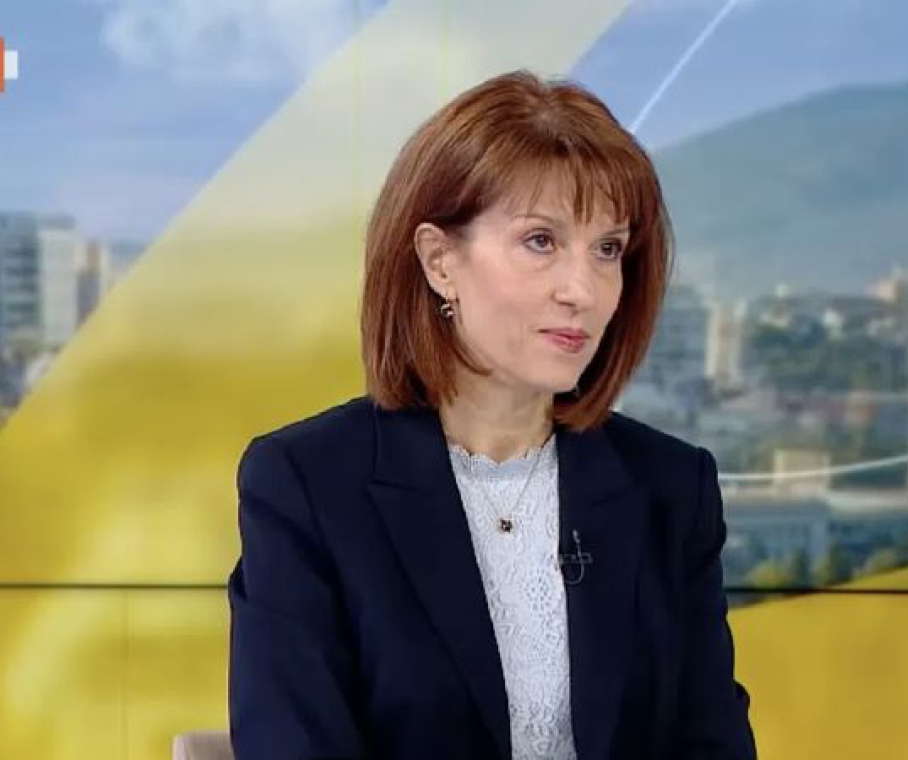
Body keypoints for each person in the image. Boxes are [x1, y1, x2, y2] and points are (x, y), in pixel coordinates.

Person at [227, 68, 756, 760]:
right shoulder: (307, 485)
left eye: (608, 249)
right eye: (541, 241)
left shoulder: (671, 488)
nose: (583, 290)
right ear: (439, 261)